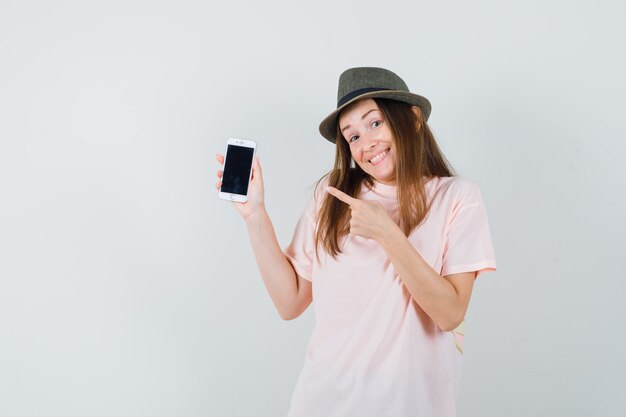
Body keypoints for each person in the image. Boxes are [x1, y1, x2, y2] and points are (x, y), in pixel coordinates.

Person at [215, 67, 497, 417]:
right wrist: (255, 216)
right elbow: (290, 303)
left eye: (374, 123)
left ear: (411, 120)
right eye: (352, 137)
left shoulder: (456, 197)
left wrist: (387, 233)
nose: (366, 144)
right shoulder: (332, 196)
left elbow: (450, 314)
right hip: (321, 402)